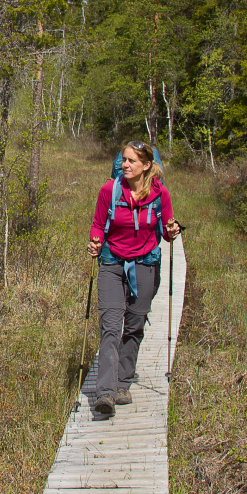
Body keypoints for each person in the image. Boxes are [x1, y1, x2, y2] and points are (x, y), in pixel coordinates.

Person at [85, 141, 180, 417]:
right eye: (123, 160)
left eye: (131, 161)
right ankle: (105, 392)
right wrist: (95, 242)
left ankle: (123, 383)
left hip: (146, 264)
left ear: (146, 166)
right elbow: (97, 223)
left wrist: (172, 232)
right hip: (113, 262)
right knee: (111, 326)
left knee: (134, 325)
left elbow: (166, 227)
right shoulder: (109, 190)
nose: (125, 165)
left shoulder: (161, 194)